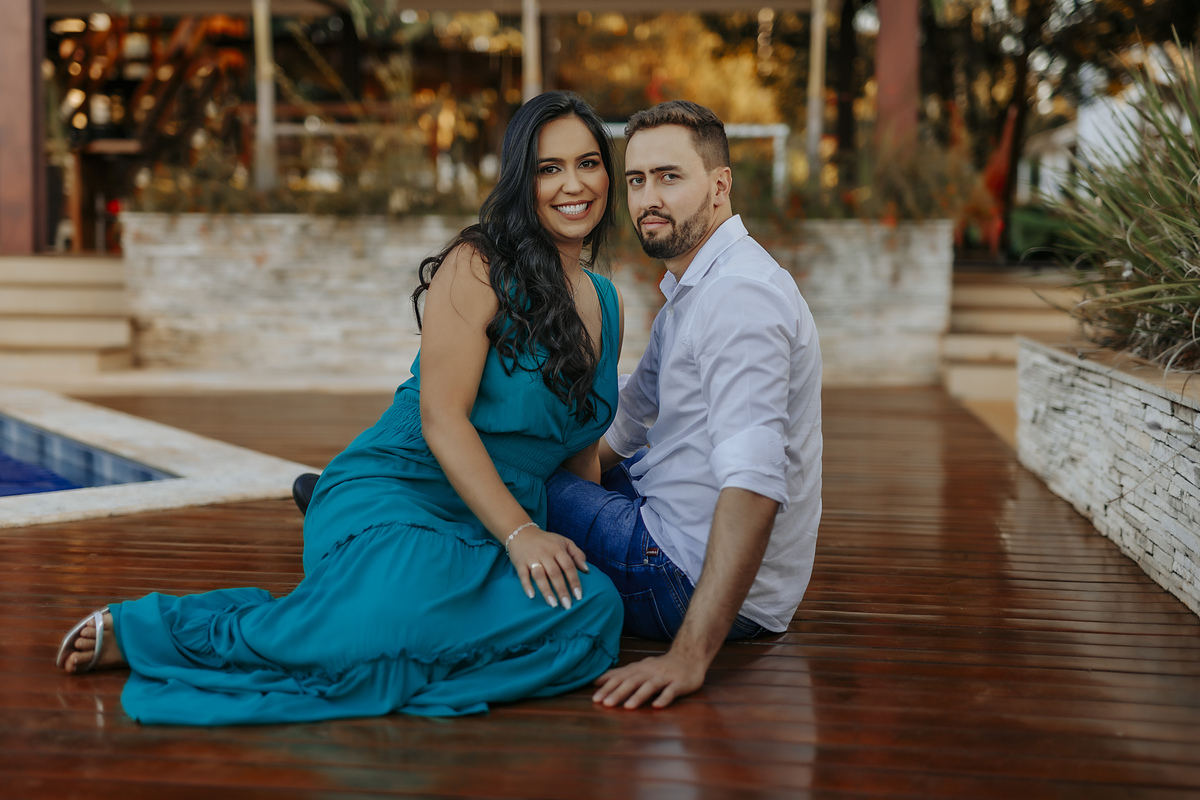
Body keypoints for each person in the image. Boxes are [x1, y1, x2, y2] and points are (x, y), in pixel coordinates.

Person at [54, 91, 626, 725]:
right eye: (549, 168)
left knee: (593, 613)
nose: (573, 184)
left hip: (497, 523)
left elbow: (579, 455)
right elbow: (442, 419)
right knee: (387, 616)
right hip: (407, 489)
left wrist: (571, 541)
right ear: (523, 179)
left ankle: (391, 656)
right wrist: (522, 537)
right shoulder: (478, 265)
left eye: (588, 162)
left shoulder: (606, 302)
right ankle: (173, 628)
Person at [545, 100, 822, 710]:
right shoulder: (696, 289)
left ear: (719, 185)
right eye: (638, 180)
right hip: (674, 530)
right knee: (522, 470)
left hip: (685, 578)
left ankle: (384, 505)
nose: (648, 198)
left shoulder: (737, 300)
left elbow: (755, 482)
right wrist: (579, 479)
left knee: (509, 487)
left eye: (669, 177)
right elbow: (628, 422)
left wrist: (690, 654)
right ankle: (387, 492)